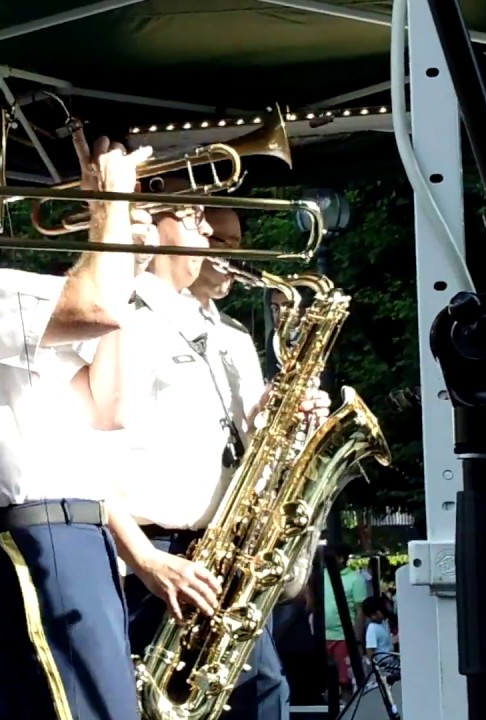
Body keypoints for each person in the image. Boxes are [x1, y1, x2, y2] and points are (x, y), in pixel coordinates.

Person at [0, 112, 221, 720]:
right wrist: (107, 206)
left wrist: (129, 261)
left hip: (67, 535)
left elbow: (105, 405)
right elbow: (93, 305)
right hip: (28, 537)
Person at [110, 205, 327, 720]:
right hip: (160, 552)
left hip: (224, 547)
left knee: (260, 693)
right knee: (177, 701)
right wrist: (143, 558)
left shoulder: (229, 333)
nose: (217, 242)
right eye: (200, 224)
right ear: (158, 226)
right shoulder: (127, 316)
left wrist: (285, 415)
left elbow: (249, 441)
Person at [323, 544, 369, 701]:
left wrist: (356, 640)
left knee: (346, 681)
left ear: (341, 558)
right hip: (323, 636)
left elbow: (360, 612)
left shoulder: (355, 580)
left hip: (343, 637)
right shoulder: (322, 576)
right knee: (328, 683)